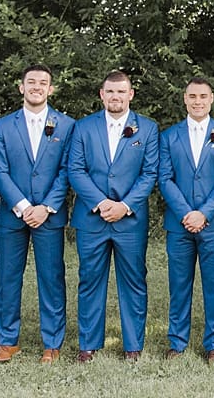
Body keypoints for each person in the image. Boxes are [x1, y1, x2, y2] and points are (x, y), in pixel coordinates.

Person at [67, 70, 159, 362]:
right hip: (91, 218)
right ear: (101, 94)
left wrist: (125, 206)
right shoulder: (83, 127)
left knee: (133, 280)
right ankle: (88, 344)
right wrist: (101, 203)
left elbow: (149, 173)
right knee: (90, 279)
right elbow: (76, 170)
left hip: (130, 219)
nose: (116, 97)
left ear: (130, 94)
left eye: (121, 92)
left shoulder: (147, 128)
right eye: (111, 92)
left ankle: (133, 345)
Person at [0, 64, 77, 365]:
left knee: (51, 278)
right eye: (31, 82)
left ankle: (52, 342)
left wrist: (46, 206)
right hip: (13, 214)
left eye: (43, 82)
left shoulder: (66, 126)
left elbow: (67, 170)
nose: (37, 87)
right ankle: (7, 341)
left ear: (51, 88)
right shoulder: (2, 126)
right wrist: (24, 207)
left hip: (49, 215)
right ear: (21, 87)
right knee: (8, 278)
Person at [159, 77, 214, 363]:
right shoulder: (168, 136)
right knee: (179, 284)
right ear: (184, 99)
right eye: (192, 96)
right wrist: (186, 213)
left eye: (203, 96)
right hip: (178, 224)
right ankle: (177, 341)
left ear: (212, 98)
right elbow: (165, 179)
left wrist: (203, 213)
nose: (198, 101)